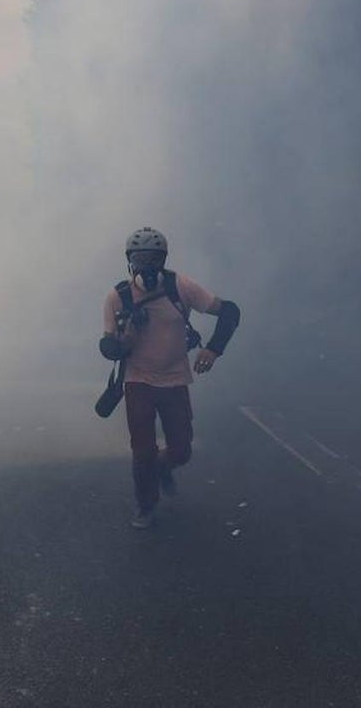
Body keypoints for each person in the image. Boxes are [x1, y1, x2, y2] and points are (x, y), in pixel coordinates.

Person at [100, 227, 241, 529]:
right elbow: (109, 347)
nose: (147, 266)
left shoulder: (181, 287)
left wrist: (214, 349)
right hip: (138, 381)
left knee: (181, 450)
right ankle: (145, 506)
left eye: (153, 259)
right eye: (140, 259)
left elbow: (230, 311)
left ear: (163, 259)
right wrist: (127, 335)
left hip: (176, 379)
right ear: (130, 261)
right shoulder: (118, 297)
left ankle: (163, 468)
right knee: (142, 451)